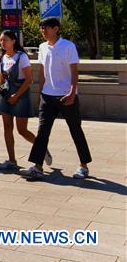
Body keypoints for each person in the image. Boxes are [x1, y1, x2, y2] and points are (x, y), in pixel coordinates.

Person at [25, 17, 92, 181]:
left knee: (75, 130)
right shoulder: (42, 47)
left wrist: (72, 92)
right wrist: (40, 93)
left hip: (66, 96)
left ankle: (84, 166)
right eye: (41, 28)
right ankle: (38, 166)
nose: (43, 31)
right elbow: (42, 72)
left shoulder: (68, 46)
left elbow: (74, 72)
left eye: (46, 28)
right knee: (42, 132)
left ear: (56, 28)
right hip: (47, 96)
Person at [0, 30, 51, 171]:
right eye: (1, 40)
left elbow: (29, 79)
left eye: (5, 40)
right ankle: (12, 160)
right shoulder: (2, 58)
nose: (2, 43)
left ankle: (42, 149)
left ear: (13, 41)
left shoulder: (22, 57)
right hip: (6, 95)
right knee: (7, 128)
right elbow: (2, 79)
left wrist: (16, 96)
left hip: (21, 95)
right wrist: (3, 93)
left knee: (22, 130)